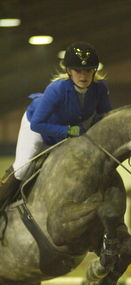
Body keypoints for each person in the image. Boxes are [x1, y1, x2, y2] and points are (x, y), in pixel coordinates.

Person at [0, 41, 112, 210]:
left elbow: (105, 115)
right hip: (38, 126)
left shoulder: (100, 88)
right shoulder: (57, 89)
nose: (83, 76)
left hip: (71, 131)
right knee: (23, 168)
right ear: (69, 71)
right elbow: (37, 124)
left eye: (88, 70)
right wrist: (69, 131)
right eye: (78, 71)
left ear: (94, 70)